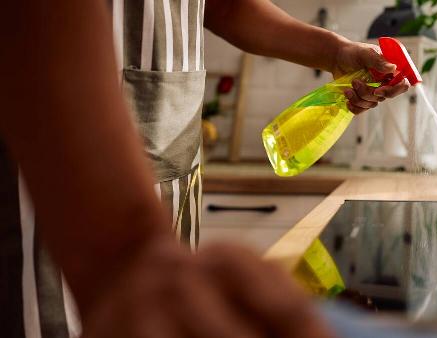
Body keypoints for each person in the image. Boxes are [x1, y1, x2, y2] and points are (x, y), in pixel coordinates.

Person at [0, 1, 410, 337]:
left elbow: (222, 4)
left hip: (170, 192)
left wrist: (332, 51)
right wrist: (129, 254)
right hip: (57, 192)